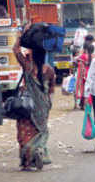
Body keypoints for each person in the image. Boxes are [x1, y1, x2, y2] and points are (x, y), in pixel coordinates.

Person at [13, 25, 56, 171]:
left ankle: (27, 161)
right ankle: (38, 151)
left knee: (24, 132)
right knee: (39, 131)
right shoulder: (49, 69)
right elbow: (51, 89)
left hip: (28, 105)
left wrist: (22, 35)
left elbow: (15, 50)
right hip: (43, 106)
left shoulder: (28, 66)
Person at [74, 43, 95, 110]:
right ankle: (90, 103)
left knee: (82, 89)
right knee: (90, 90)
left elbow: (75, 60)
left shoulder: (82, 56)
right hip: (91, 75)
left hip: (83, 74)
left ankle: (82, 104)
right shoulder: (94, 56)